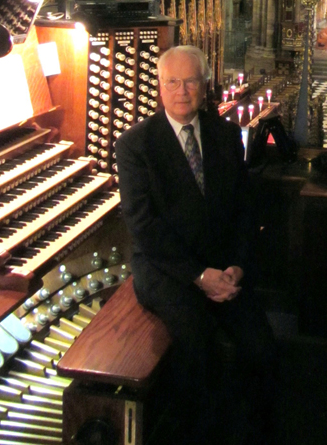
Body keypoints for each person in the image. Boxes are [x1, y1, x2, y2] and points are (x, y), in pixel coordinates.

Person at [115, 45, 276, 444]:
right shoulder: (136, 144)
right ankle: (192, 432)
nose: (182, 90)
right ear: (160, 87)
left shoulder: (224, 134)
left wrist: (236, 266)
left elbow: (243, 209)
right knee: (195, 340)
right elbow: (144, 227)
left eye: (190, 81)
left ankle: (252, 431)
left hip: (223, 266)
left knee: (261, 348)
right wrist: (198, 275)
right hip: (166, 268)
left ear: (205, 86)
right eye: (173, 82)